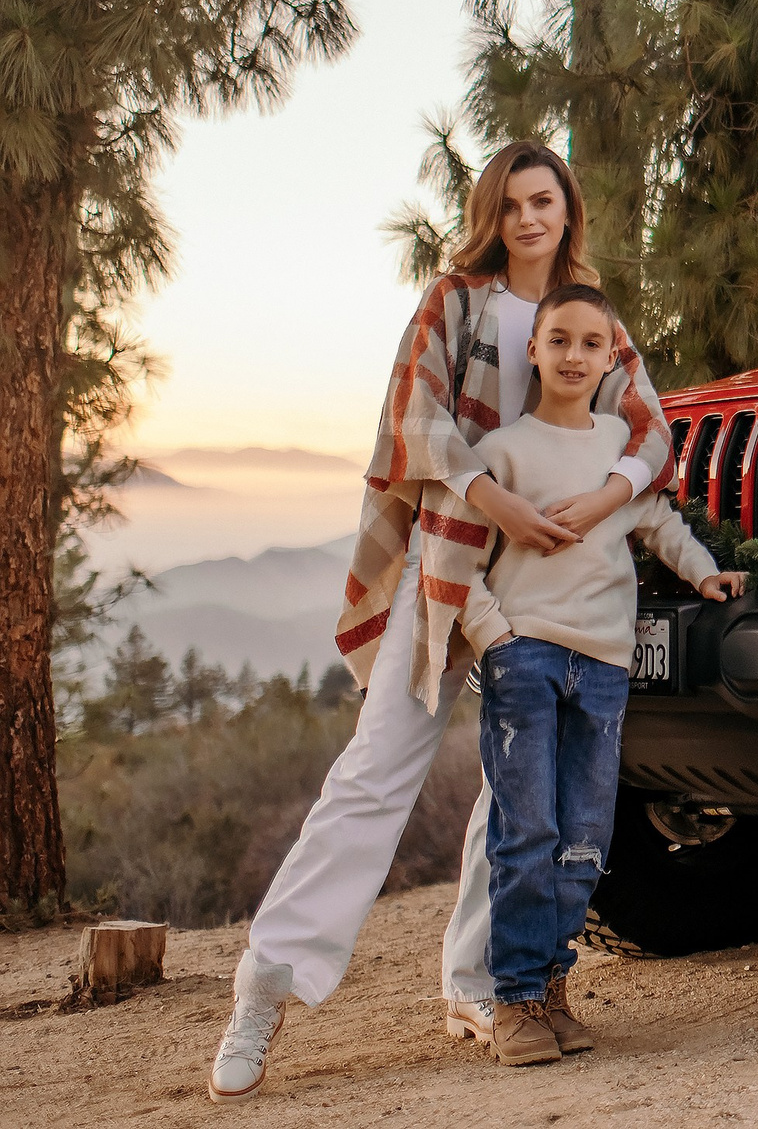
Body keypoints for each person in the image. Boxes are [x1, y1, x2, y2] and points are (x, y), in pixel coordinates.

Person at [210, 143, 673, 1102]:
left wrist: (608, 497)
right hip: (451, 568)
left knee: (517, 788)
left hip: (551, 589)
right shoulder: (455, 299)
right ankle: (268, 980)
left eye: (543, 200)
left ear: (567, 206)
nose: (529, 219)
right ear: (490, 215)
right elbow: (413, 417)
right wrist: (490, 496)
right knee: (377, 768)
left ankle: (479, 983)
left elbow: (650, 429)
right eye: (510, 205)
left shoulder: (591, 313)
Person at [461, 283, 744, 1065]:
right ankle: (514, 999)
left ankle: (552, 985)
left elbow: (656, 519)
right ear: (534, 350)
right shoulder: (504, 450)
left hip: (606, 664)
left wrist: (705, 572)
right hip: (527, 657)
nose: (575, 356)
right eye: (560, 340)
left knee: (585, 836)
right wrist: (493, 634)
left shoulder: (621, 446)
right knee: (527, 832)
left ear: (612, 356)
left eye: (593, 343)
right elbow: (457, 559)